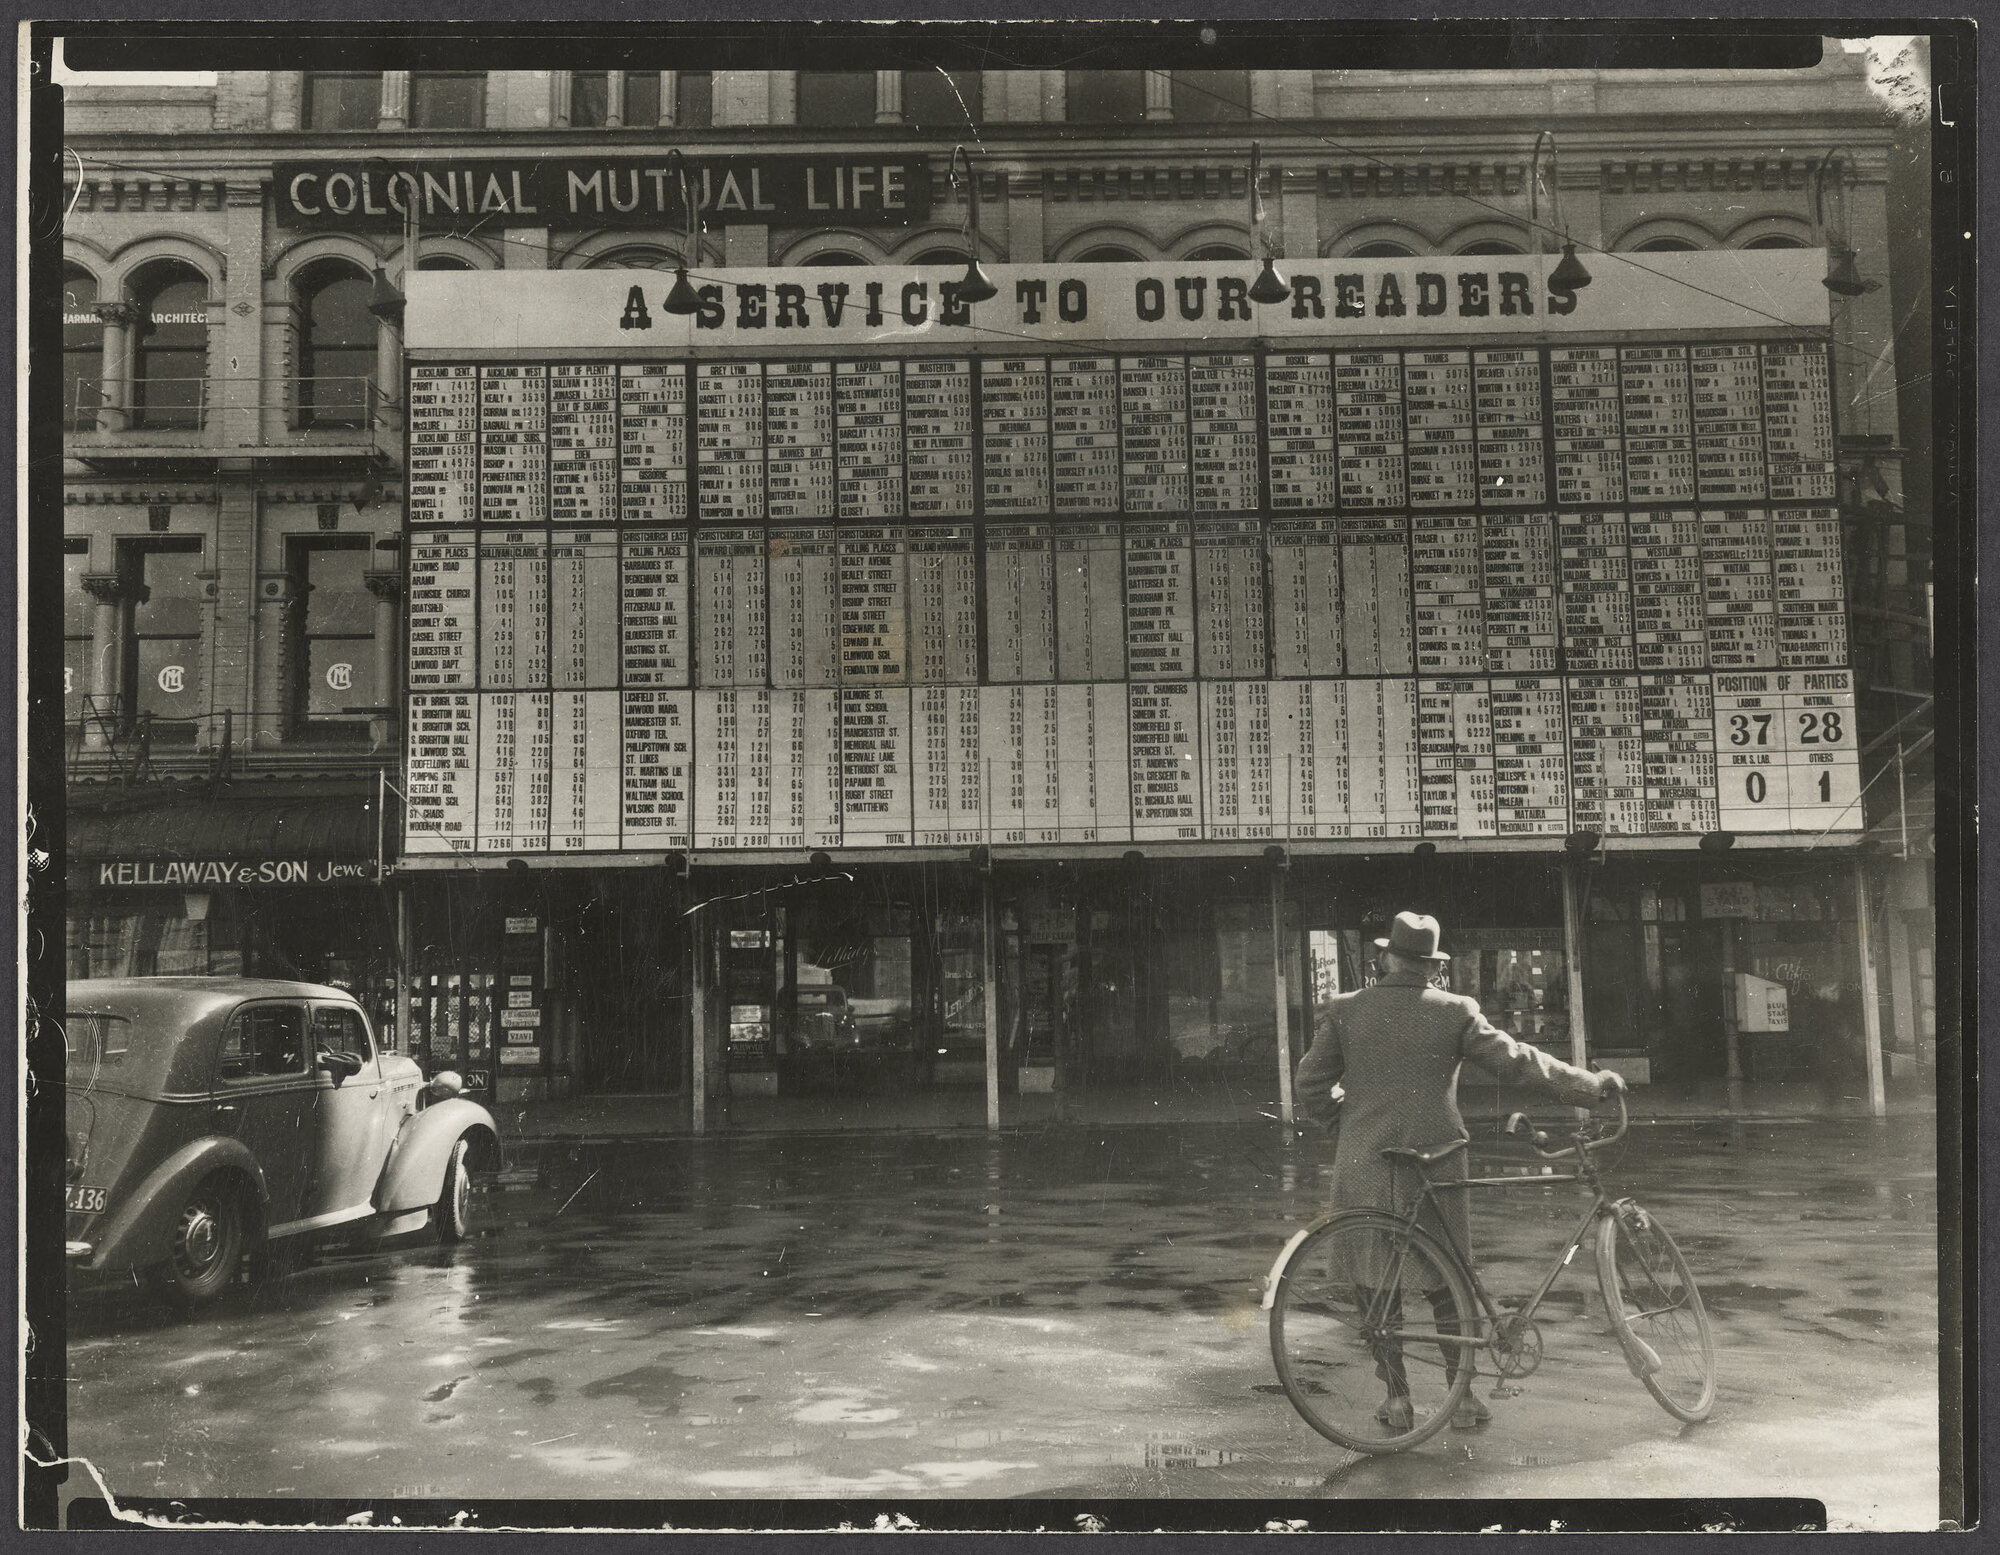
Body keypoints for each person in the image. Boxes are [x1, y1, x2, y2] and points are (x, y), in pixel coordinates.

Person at [1293, 911, 1626, 1431]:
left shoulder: (1347, 1010)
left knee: (1373, 1283)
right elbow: (1517, 1060)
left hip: (1364, 1158)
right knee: (1448, 1278)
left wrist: (1345, 1122)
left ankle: (1398, 1400)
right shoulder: (1454, 1011)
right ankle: (1463, 1398)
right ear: (1431, 966)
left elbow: (1311, 1083)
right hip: (1438, 1155)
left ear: (1386, 957)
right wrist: (1588, 1085)